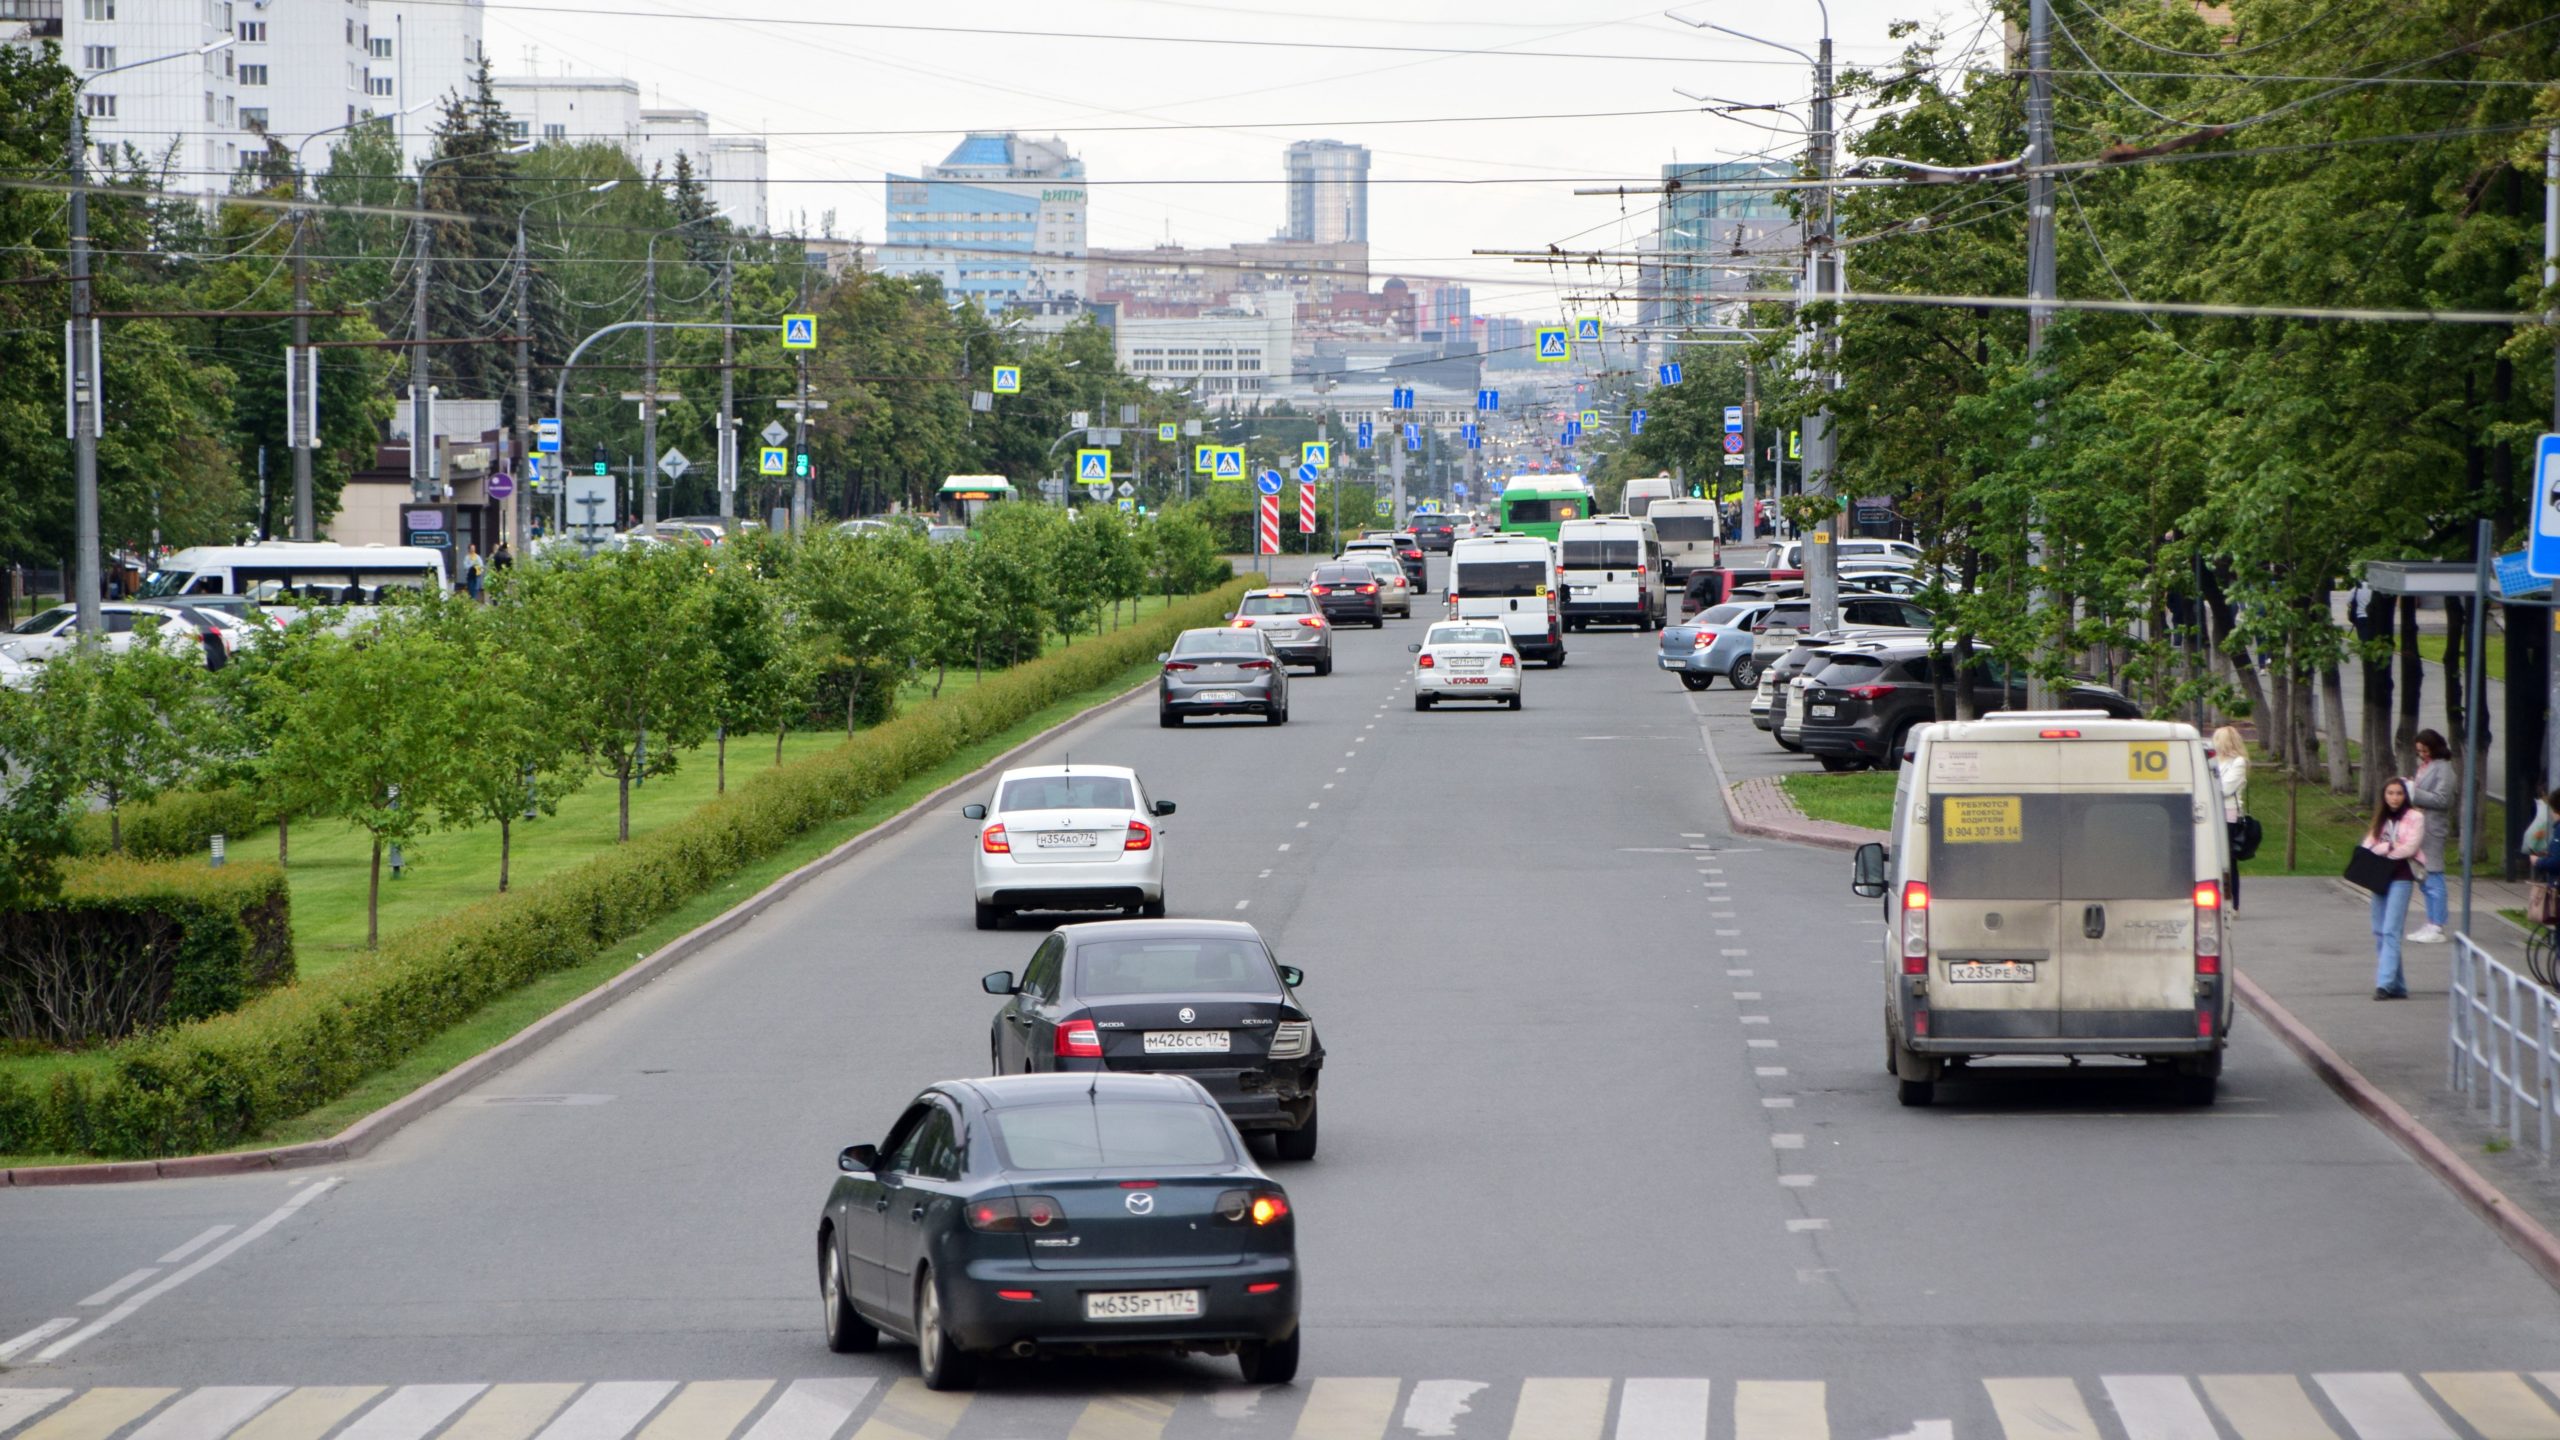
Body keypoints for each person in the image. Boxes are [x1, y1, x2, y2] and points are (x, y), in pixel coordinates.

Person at [2361, 778, 2424, 1000]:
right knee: (2379, 931)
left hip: (2402, 877)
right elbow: (2367, 846)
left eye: (2399, 793)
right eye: (2390, 793)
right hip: (2380, 877)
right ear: (2384, 795)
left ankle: (2384, 984)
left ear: (2405, 796)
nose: (2395, 797)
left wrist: (2386, 848)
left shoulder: (2415, 817)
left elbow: (2410, 847)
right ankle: (2398, 986)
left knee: (2391, 930)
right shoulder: (2381, 818)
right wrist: (2387, 847)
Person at [2407, 729, 2456, 943]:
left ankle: (2438, 925)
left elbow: (2443, 800)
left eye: (2425, 750)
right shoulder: (2425, 767)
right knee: (2424, 877)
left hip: (2433, 828)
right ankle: (2430, 921)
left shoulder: (2443, 768)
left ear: (2435, 748)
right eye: (2419, 751)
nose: (2422, 755)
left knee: (2434, 874)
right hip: (2420, 825)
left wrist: (2413, 793)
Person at [2212, 724, 2249, 913]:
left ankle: (2233, 902)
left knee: (2228, 860)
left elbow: (2226, 789)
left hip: (2228, 814)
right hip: (2213, 812)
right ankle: (2218, 899)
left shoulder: (2238, 762)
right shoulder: (2214, 761)